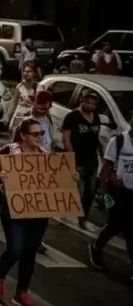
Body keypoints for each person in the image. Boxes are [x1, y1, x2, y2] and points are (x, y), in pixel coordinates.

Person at [0, 118, 63, 306]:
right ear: (23, 135)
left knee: (30, 252)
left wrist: (69, 177)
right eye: (35, 134)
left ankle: (21, 292)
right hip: (13, 208)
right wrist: (0, 175)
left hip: (38, 210)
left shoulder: (46, 156)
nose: (39, 137)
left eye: (41, 133)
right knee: (15, 249)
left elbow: (55, 181)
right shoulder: (8, 151)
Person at [88, 126, 133, 273]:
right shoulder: (118, 141)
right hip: (117, 191)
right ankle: (96, 247)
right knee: (115, 224)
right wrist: (102, 190)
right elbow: (107, 166)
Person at [60, 91, 102, 228]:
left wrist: (101, 154)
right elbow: (66, 139)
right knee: (78, 190)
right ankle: (64, 211)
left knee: (90, 191)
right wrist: (71, 159)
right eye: (88, 103)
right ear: (82, 101)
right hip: (77, 159)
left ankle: (83, 218)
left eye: (94, 104)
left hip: (92, 160)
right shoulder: (72, 117)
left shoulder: (96, 117)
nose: (91, 106)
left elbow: (95, 137)